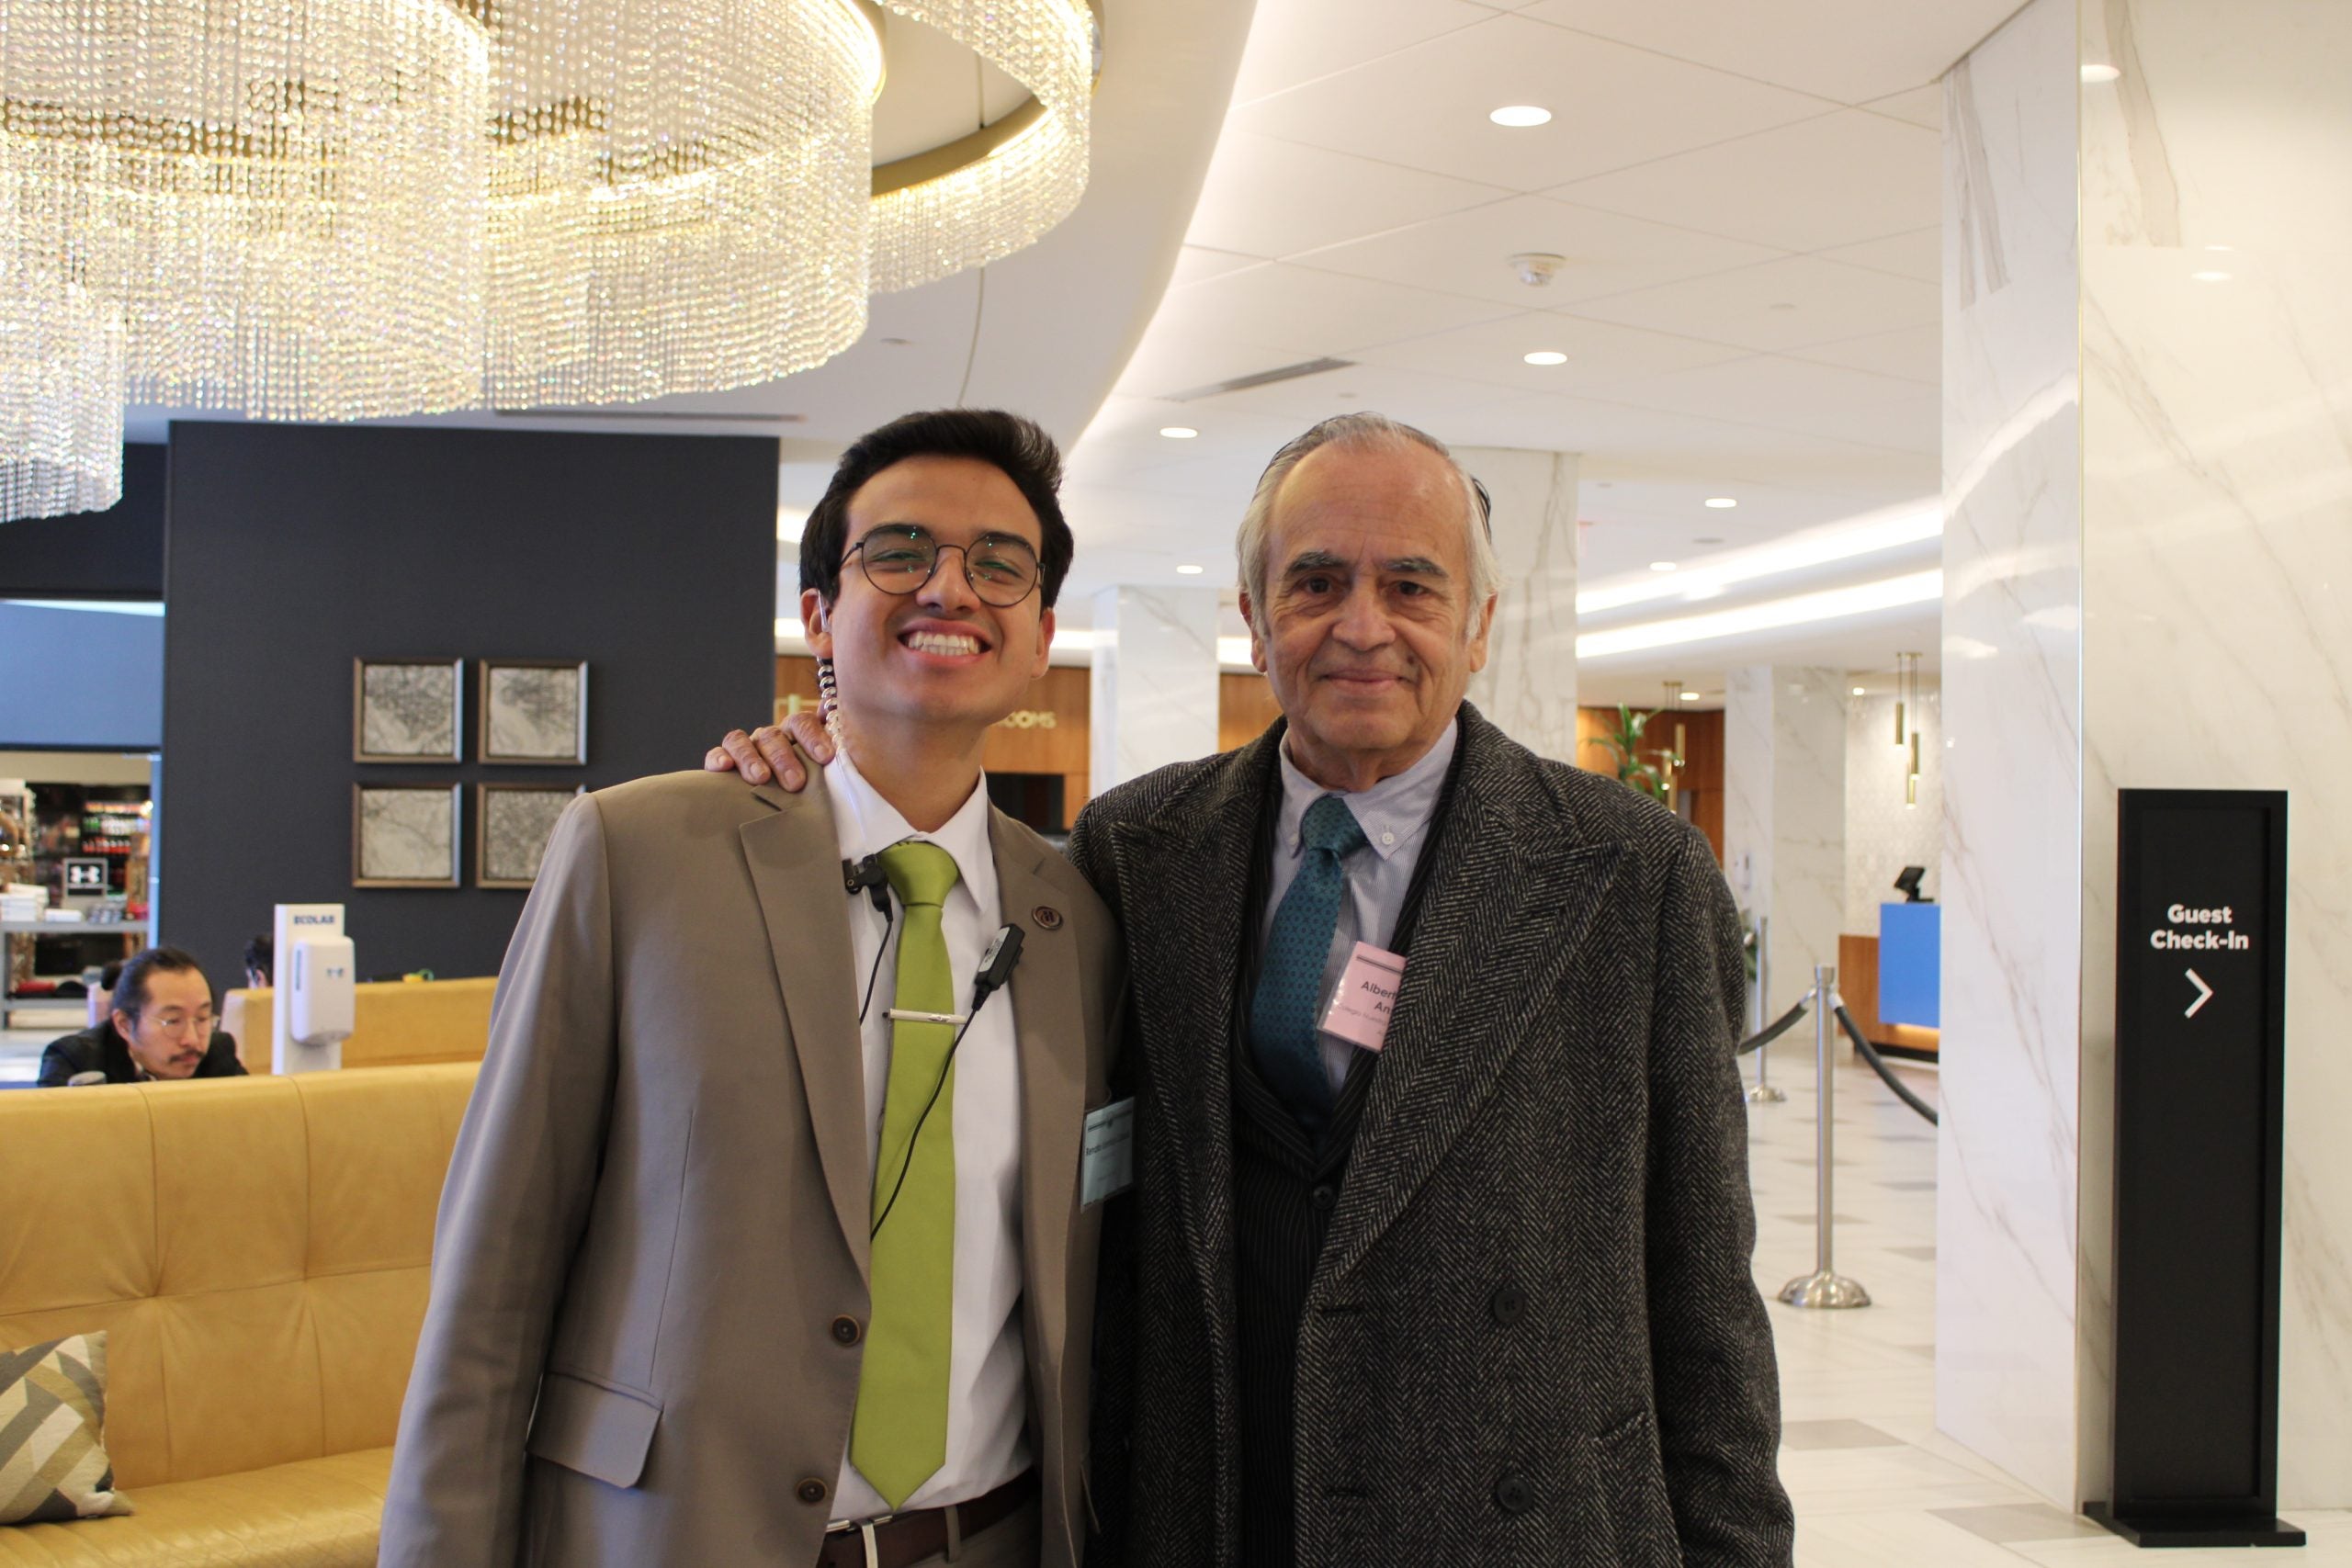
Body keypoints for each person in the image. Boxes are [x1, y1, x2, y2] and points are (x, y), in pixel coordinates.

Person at [715, 412, 1793, 1566]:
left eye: (1413, 588)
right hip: (1208, 1502)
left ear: (1478, 625)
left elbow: (1703, 1298)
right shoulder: (1133, 852)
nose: (1362, 628)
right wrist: (799, 768)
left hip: (1509, 1526)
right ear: (1252, 617)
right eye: (1315, 582)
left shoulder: (1631, 873)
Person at [380, 409, 1121, 1568]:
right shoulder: (642, 853)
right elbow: (492, 1283)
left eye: (999, 565)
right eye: (899, 552)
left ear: (1040, 637)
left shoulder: (1081, 922)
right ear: (820, 614)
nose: (949, 588)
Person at [39, 946, 247, 1086]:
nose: (192, 1040)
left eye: (202, 1019)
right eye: (173, 1021)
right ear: (125, 1025)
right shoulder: (76, 1060)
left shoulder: (219, 1054)